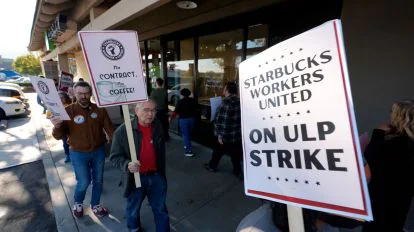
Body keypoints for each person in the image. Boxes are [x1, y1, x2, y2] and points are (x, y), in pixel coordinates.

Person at [50, 81, 114, 218]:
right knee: (84, 181)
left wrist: (119, 145)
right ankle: (78, 203)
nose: (83, 96)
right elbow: (58, 136)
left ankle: (95, 205)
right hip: (78, 153)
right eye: (80, 93)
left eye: (86, 93)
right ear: (74, 93)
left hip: (98, 151)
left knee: (98, 180)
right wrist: (57, 126)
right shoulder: (68, 111)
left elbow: (110, 130)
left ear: (91, 93)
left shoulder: (100, 110)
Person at [110, 100, 170, 232]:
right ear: (136, 111)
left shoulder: (157, 125)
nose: (151, 114)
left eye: (153, 110)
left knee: (160, 209)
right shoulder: (123, 131)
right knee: (133, 209)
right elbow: (114, 157)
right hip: (135, 178)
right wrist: (127, 164)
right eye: (146, 110)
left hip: (156, 177)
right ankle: (134, 228)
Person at [362, 100, 414, 232]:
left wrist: (378, 132)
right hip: (400, 199)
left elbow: (373, 157)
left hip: (383, 200)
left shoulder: (399, 144)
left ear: (399, 117)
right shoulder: (407, 142)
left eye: (392, 112)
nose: (390, 114)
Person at [204, 82, 243, 180]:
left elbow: (222, 122)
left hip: (226, 135)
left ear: (227, 90)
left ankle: (212, 166)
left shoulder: (225, 103)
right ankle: (237, 171)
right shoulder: (240, 101)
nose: (223, 91)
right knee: (236, 155)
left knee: (217, 151)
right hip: (237, 134)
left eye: (224, 89)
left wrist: (219, 135)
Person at [170, 88, 197, 157]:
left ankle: (188, 151)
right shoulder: (193, 101)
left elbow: (175, 112)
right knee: (189, 133)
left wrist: (170, 118)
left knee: (185, 135)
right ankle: (188, 145)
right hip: (192, 119)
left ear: (182, 94)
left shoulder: (180, 102)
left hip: (183, 120)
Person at [58, 91, 72, 163]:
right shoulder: (56, 107)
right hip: (63, 129)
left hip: (72, 128)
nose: (61, 99)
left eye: (62, 98)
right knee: (65, 143)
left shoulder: (71, 106)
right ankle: (68, 155)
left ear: (65, 98)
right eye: (59, 98)